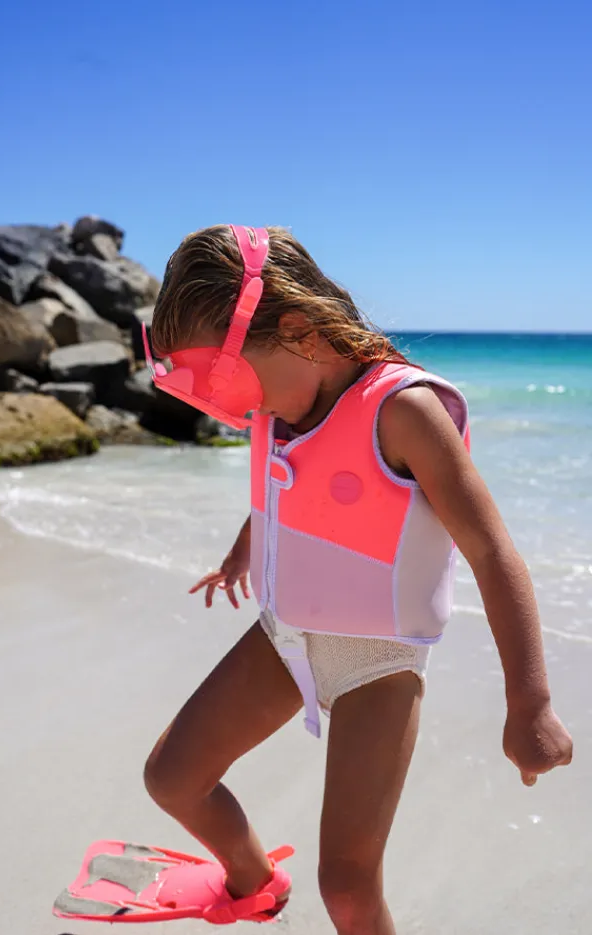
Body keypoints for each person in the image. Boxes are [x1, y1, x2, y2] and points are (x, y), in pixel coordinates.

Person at [142, 225, 573, 935]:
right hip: (284, 637)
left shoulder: (403, 411)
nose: (234, 407)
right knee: (171, 778)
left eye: (228, 380)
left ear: (298, 331)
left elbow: (493, 551)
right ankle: (254, 881)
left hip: (377, 663)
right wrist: (242, 551)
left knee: (346, 886)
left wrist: (531, 703)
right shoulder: (281, 404)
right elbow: (286, 488)